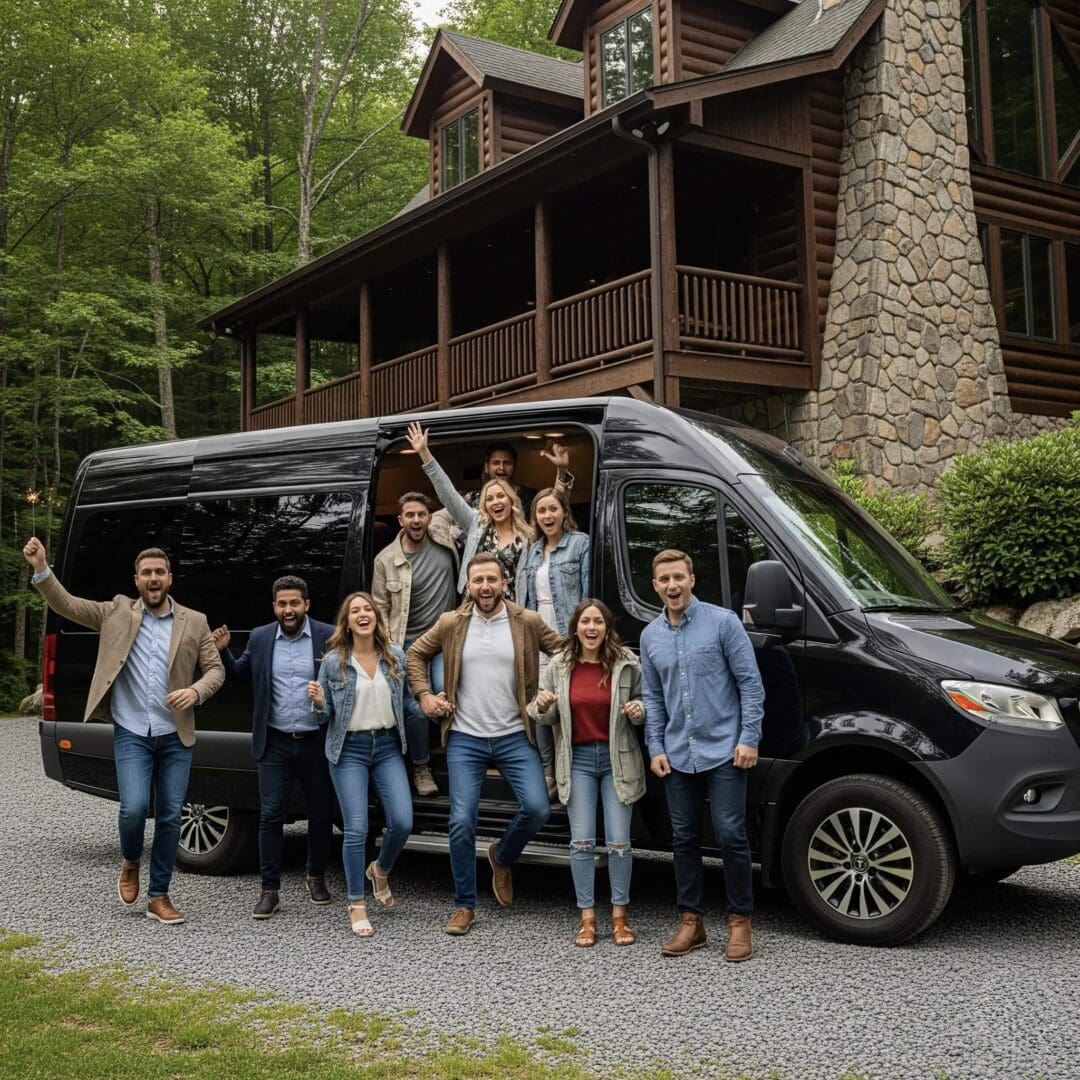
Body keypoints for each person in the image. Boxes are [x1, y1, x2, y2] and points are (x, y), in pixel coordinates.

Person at [23, 537, 224, 925]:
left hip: (175, 735)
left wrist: (196, 691)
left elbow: (215, 669)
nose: (153, 578)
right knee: (133, 808)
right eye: (146, 572)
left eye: (160, 572)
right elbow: (67, 604)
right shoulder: (115, 611)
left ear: (170, 578)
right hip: (132, 731)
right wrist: (42, 568)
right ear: (137, 580)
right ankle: (131, 859)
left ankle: (159, 896)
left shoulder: (195, 621)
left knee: (170, 816)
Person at [406, 553, 563, 935]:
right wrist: (424, 696)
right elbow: (416, 654)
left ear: (504, 582)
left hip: (514, 735)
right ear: (468, 586)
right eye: (478, 580)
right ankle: (464, 905)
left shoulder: (527, 621)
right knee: (461, 820)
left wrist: (549, 690)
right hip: (465, 737)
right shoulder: (451, 622)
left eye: (492, 579)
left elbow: (564, 652)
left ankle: (502, 856)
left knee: (538, 808)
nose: (485, 587)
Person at [640, 549, 764, 962]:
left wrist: (749, 737)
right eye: (664, 579)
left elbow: (750, 684)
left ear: (692, 579)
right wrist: (655, 746)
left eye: (679, 577)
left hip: (726, 749)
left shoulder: (723, 623)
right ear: (655, 586)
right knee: (684, 839)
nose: (672, 585)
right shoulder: (650, 636)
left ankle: (740, 921)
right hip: (677, 753)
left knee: (730, 835)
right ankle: (691, 922)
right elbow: (652, 698)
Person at [211, 576, 335, 920]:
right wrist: (224, 651)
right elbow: (240, 675)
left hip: (316, 740)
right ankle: (269, 890)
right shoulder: (261, 637)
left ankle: (316, 876)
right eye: (282, 604)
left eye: (294, 603)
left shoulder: (328, 635)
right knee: (270, 816)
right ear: (274, 607)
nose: (288, 610)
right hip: (275, 742)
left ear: (306, 604)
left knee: (321, 814)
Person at [528, 599, 645, 948]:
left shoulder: (626, 663)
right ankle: (587, 918)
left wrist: (638, 710)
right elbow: (542, 712)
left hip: (617, 759)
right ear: (575, 627)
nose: (591, 628)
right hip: (576, 760)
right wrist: (542, 705)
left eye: (598, 622)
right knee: (581, 843)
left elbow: (646, 704)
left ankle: (620, 917)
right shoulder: (560, 665)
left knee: (619, 843)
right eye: (585, 622)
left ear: (607, 628)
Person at [308, 593, 415, 938]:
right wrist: (319, 702)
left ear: (376, 617)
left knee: (402, 821)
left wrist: (432, 705)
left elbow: (407, 703)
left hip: (387, 746)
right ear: (347, 621)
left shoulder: (395, 655)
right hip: (348, 749)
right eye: (355, 611)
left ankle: (379, 870)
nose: (362, 614)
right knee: (356, 828)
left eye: (368, 609)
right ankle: (356, 903)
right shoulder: (333, 662)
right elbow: (322, 715)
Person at [372, 491, 459, 797]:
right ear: (400, 520)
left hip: (447, 641)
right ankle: (421, 767)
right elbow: (380, 607)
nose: (416, 520)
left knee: (449, 692)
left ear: (430, 517)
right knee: (420, 709)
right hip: (409, 646)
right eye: (410, 515)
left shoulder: (442, 535)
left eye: (422, 514)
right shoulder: (385, 560)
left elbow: (462, 501)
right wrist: (390, 650)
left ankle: (460, 761)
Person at [407, 422, 533, 603]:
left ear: (511, 501)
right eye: (489, 499)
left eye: (501, 496)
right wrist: (424, 453)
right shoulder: (476, 522)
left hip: (511, 611)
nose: (495, 502)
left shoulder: (527, 537)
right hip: (474, 608)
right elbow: (448, 493)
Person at [523, 487, 590, 800]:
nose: (547, 515)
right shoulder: (532, 551)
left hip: (567, 632)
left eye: (553, 509)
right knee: (541, 703)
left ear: (564, 512)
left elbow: (587, 596)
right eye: (541, 511)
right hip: (538, 632)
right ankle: (548, 771)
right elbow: (526, 600)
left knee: (565, 702)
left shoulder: (580, 543)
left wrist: (582, 636)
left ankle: (567, 771)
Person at [462, 440, 573, 512]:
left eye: (507, 463)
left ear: (514, 467)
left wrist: (562, 470)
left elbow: (557, 508)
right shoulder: (472, 499)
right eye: (496, 463)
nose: (501, 468)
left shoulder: (529, 496)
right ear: (487, 467)